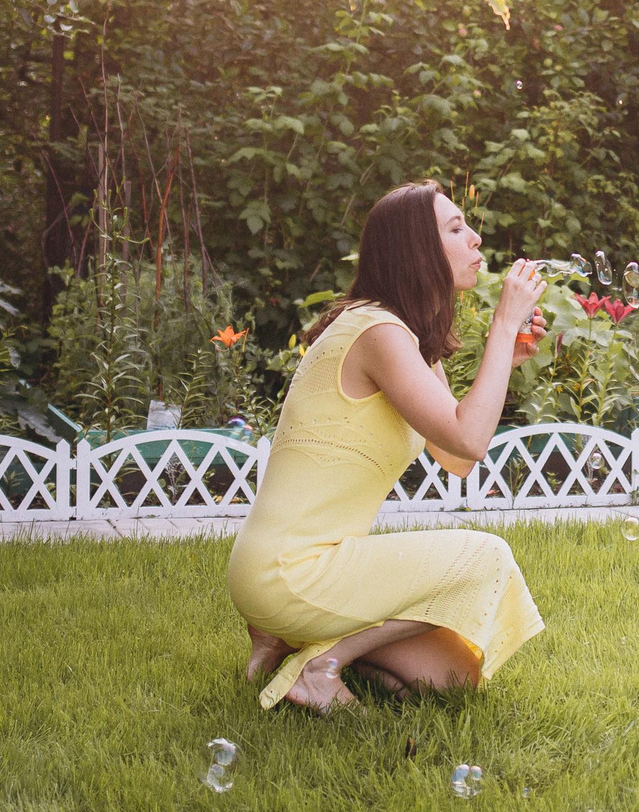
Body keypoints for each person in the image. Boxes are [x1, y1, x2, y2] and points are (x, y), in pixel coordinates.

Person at [227, 181, 549, 713]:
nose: (475, 238)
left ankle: (293, 641)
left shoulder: (408, 340)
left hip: (302, 571)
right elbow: (469, 437)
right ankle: (319, 666)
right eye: (454, 228)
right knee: (487, 555)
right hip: (292, 569)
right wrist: (503, 324)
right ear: (416, 249)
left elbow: (459, 458)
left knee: (452, 677)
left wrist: (507, 360)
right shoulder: (376, 330)